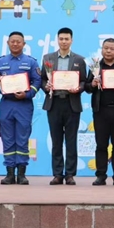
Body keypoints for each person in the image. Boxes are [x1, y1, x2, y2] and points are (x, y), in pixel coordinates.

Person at [0, 32, 42, 185]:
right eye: (12, 41)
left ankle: (22, 174)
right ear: (8, 43)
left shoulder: (31, 62)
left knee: (22, 138)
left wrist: (27, 94)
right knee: (7, 139)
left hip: (24, 104)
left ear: (24, 44)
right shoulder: (0, 62)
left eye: (18, 41)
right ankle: (10, 173)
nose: (15, 44)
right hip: (7, 104)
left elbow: (37, 81)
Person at [84, 38, 114, 186]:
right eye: (106, 48)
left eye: (112, 49)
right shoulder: (95, 67)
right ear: (102, 50)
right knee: (101, 145)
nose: (108, 51)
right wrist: (93, 84)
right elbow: (87, 87)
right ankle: (101, 175)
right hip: (100, 111)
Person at [41, 27, 87, 186]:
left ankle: (70, 174)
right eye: (61, 39)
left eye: (67, 39)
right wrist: (46, 86)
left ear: (71, 40)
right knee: (56, 141)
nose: (64, 42)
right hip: (54, 103)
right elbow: (42, 79)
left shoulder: (79, 60)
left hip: (71, 103)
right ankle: (57, 174)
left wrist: (79, 88)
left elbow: (84, 81)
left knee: (71, 141)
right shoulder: (48, 58)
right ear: (57, 40)